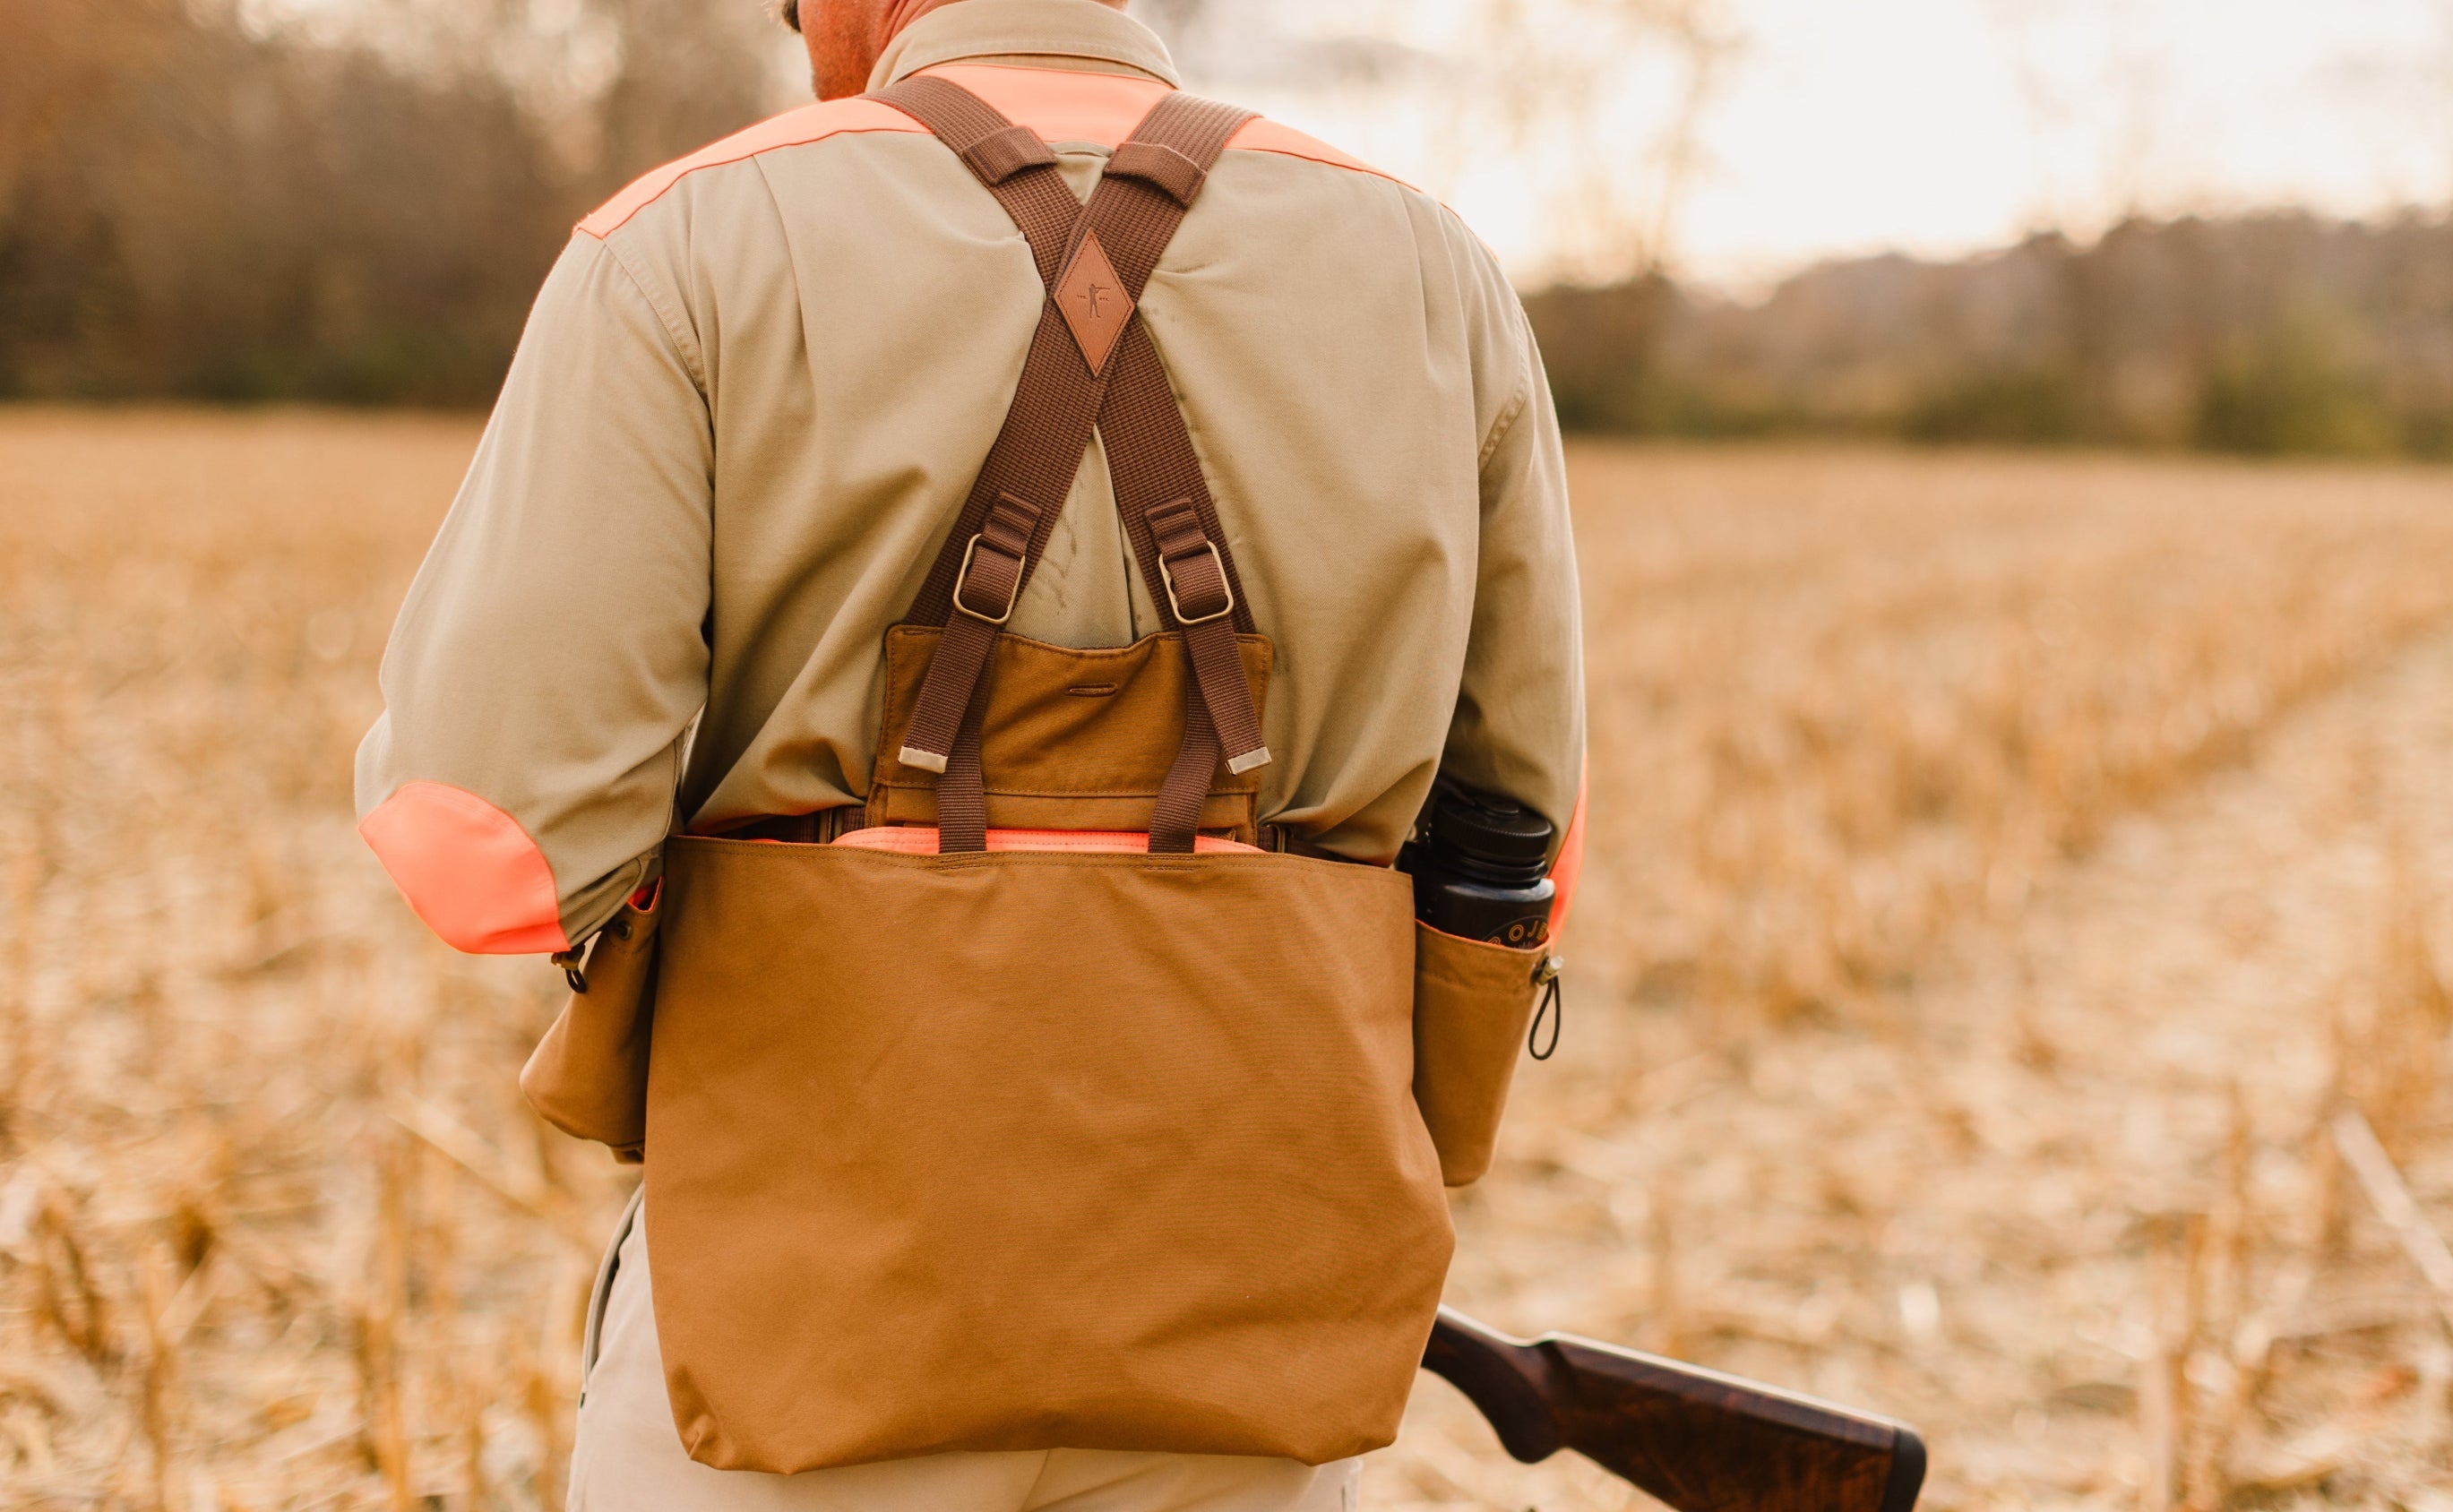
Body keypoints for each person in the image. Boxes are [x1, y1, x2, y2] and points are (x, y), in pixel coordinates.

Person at [353, 0, 1583, 1508]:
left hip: (793, 1345)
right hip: (1252, 1349)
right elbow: (1523, 822)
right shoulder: (1433, 266)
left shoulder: (685, 236)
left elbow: (496, 853)